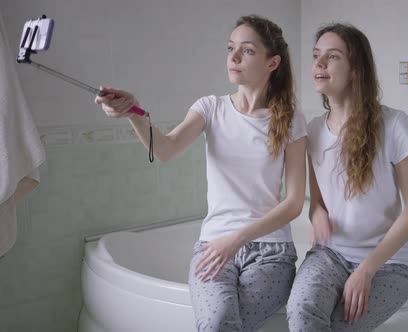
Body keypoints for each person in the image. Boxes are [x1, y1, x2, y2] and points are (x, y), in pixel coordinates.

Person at [95, 15, 307, 332]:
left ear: (272, 62)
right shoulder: (211, 108)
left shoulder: (290, 120)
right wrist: (134, 112)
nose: (233, 57)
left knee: (223, 324)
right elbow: (165, 149)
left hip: (271, 253)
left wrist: (237, 239)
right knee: (220, 320)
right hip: (213, 247)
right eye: (230, 48)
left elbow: (293, 203)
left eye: (247, 50)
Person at [286, 23, 408, 331]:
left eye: (332, 56)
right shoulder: (313, 130)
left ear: (356, 70)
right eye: (316, 55)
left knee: (339, 326)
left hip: (388, 266)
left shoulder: (393, 125)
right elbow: (317, 203)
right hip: (329, 255)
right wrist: (317, 214)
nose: (319, 64)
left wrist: (366, 270)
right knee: (301, 314)